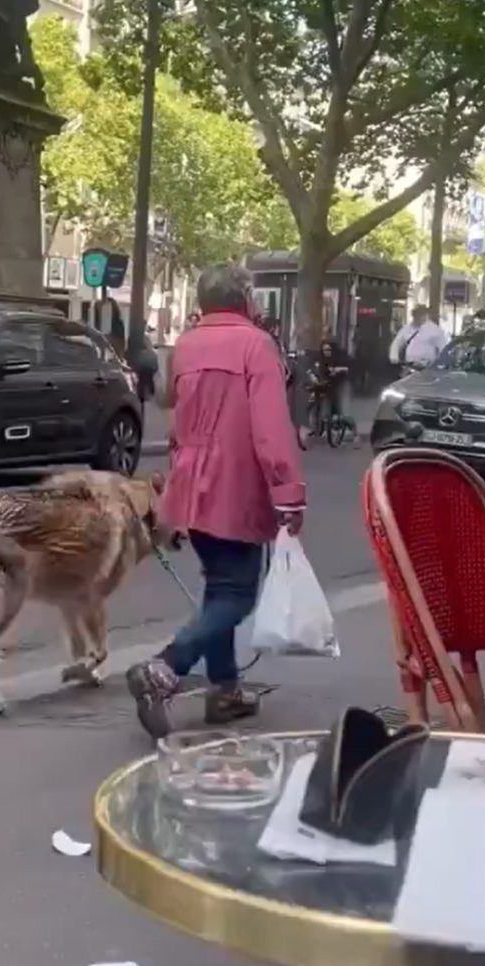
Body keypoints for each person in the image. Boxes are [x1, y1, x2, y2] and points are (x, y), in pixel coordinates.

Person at [125, 263, 306, 736]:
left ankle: (224, 690)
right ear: (245, 297)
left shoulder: (186, 345)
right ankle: (165, 668)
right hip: (236, 483)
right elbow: (271, 430)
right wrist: (288, 493)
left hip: (192, 484)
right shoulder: (255, 345)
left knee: (219, 586)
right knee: (237, 594)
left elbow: (178, 419)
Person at [315, 338, 360, 446]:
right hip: (329, 383)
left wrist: (339, 369)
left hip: (342, 382)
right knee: (324, 405)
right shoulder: (321, 359)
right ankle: (322, 426)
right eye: (325, 350)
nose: (327, 353)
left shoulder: (341, 357)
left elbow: (350, 367)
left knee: (343, 412)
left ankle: (354, 433)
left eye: (329, 350)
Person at [389, 305, 448, 370]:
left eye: (420, 315)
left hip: (427, 366)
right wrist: (394, 357)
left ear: (425, 315)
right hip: (409, 365)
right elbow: (397, 342)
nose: (417, 318)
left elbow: (443, 347)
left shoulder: (435, 330)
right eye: (415, 315)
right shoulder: (407, 329)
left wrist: (442, 363)